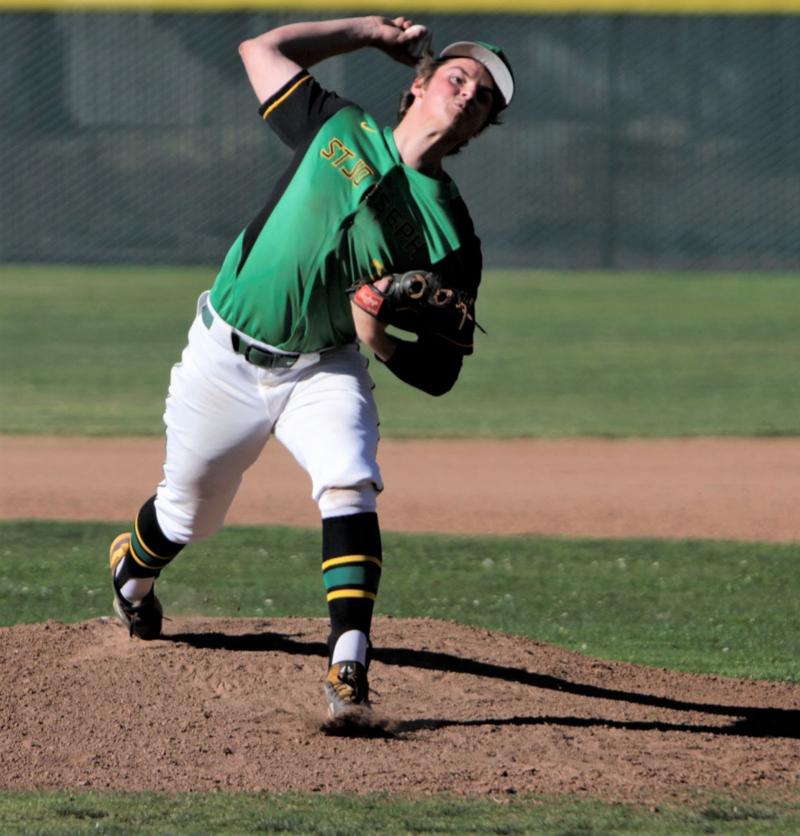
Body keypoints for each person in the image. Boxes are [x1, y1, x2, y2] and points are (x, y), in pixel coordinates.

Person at [106, 15, 514, 722]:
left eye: (483, 97)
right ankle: (130, 578)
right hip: (224, 356)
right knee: (185, 516)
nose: (468, 92)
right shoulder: (336, 126)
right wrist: (363, 32)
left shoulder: (452, 238)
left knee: (349, 478)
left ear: (480, 130)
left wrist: (377, 339)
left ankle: (349, 665)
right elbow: (258, 50)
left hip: (322, 368)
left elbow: (443, 372)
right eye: (458, 75)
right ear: (417, 85)